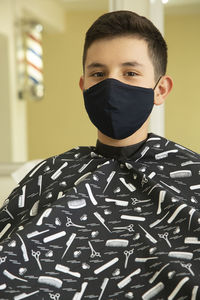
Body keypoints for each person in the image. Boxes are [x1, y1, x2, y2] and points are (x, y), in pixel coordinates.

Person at [0, 10, 199, 300]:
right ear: (84, 86)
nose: (111, 86)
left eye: (130, 73)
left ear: (160, 89)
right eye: (98, 74)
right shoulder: (50, 174)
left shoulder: (191, 173)